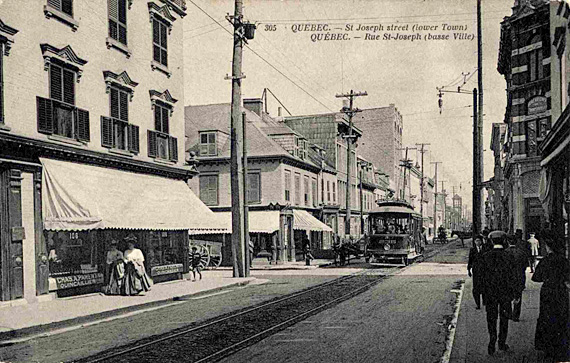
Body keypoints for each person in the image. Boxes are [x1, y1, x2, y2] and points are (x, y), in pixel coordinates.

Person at [532, 230, 570, 361]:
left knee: (547, 317)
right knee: (562, 317)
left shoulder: (546, 261)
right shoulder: (564, 260)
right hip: (561, 291)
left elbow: (536, 278)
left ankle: (548, 347)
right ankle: (562, 347)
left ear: (548, 247)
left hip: (548, 291)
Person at [480, 230, 516, 355]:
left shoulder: (485, 256)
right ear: (504, 241)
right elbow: (513, 276)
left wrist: (481, 293)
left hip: (490, 293)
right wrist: (515, 294)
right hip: (505, 293)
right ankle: (502, 342)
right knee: (504, 317)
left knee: (491, 318)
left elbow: (481, 277)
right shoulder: (509, 256)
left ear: (491, 241)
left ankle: (492, 341)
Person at [505, 234, 529, 322]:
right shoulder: (522, 252)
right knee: (518, 296)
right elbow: (526, 266)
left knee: (507, 296)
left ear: (508, 242)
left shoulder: (505, 252)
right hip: (519, 277)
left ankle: (509, 313)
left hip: (508, 278)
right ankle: (516, 315)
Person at [467, 234, 485, 310]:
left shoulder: (485, 249)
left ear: (481, 241)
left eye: (479, 241)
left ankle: (485, 301)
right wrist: (469, 270)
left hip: (484, 271)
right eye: (476, 241)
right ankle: (478, 303)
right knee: (476, 288)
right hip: (476, 271)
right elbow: (470, 260)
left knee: (484, 286)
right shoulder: (472, 250)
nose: (477, 242)